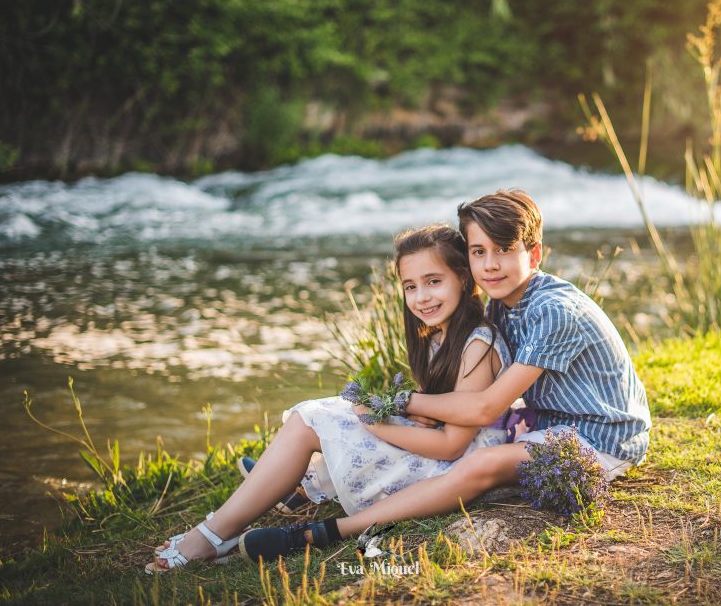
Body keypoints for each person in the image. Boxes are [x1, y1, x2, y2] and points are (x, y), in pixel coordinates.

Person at [240, 188, 652, 561]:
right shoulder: (501, 304)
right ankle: (310, 479)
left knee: (480, 464)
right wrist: (413, 407)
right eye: (477, 252)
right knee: (423, 424)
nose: (489, 266)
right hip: (547, 422)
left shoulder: (554, 311)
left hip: (602, 438)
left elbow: (486, 405)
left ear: (535, 254)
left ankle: (325, 532)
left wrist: (398, 400)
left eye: (503, 250)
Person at [145, 224, 516, 572]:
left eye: (433, 281)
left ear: (464, 279)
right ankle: (239, 516)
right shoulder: (440, 336)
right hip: (441, 452)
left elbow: (452, 446)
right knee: (314, 417)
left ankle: (213, 534)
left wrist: (372, 421)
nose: (421, 297)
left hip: (451, 469)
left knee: (313, 419)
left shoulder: (477, 345)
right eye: (410, 286)